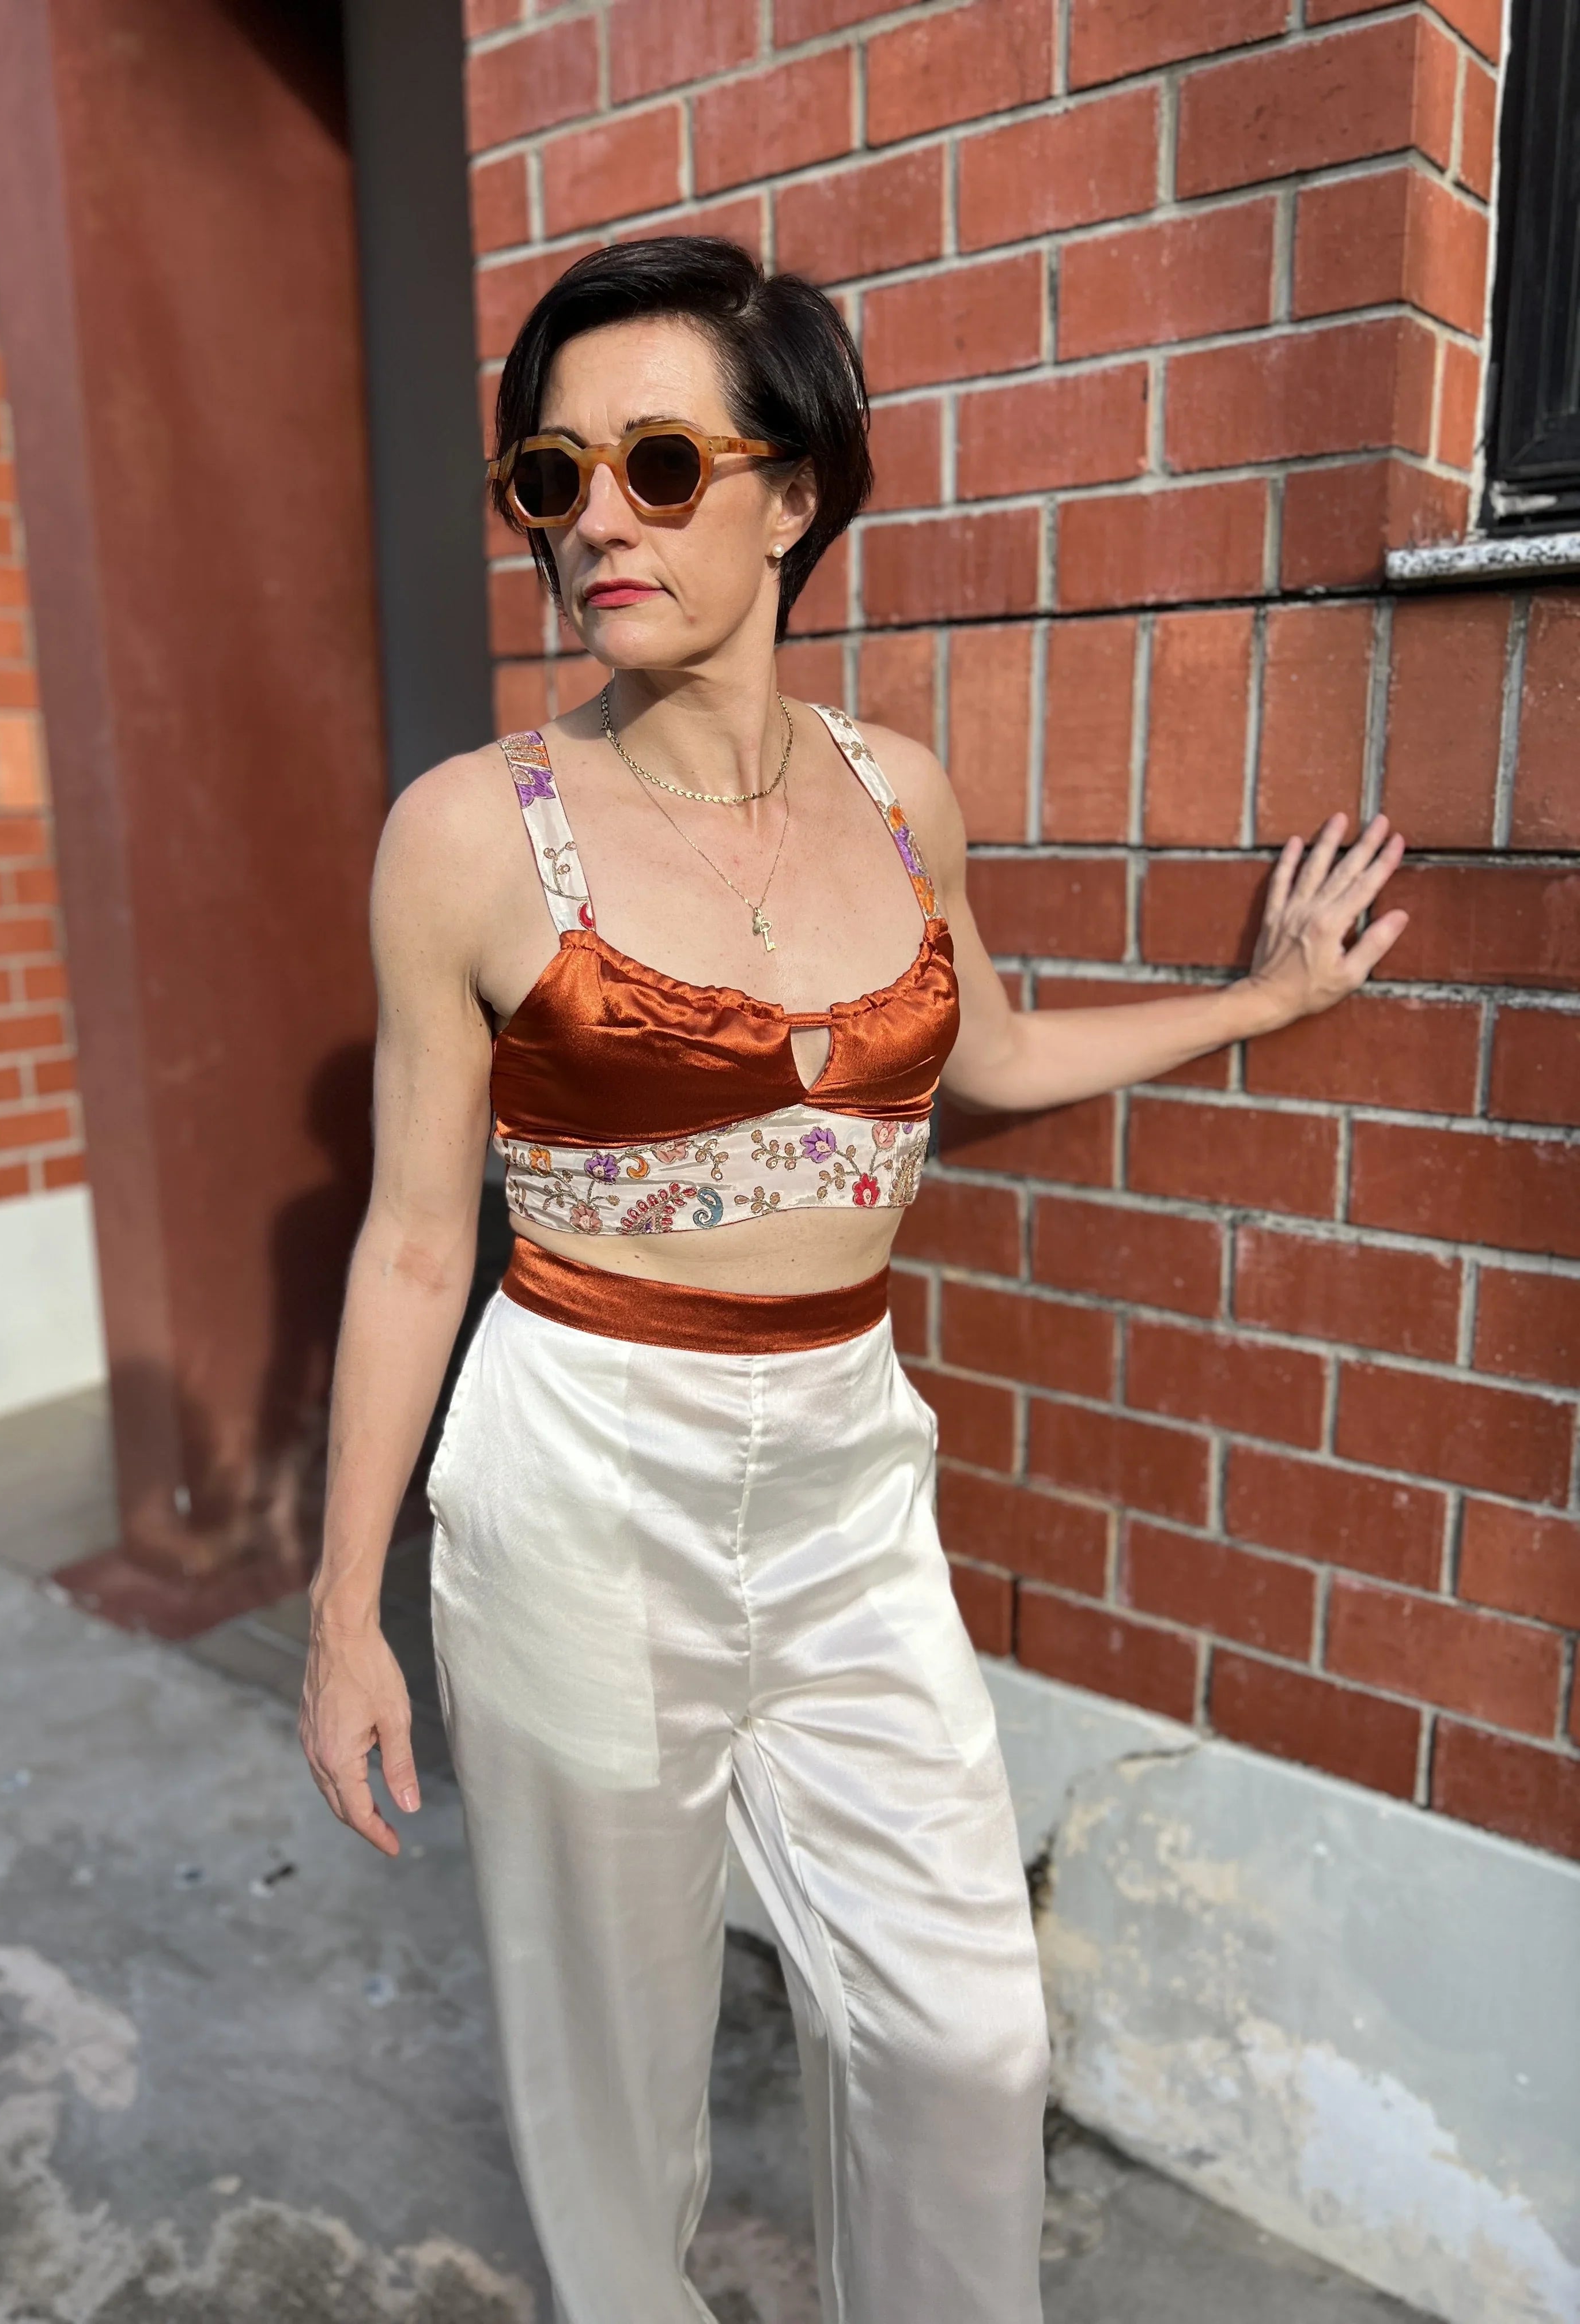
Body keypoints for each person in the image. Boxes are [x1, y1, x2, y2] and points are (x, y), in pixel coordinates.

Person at [297, 236, 1407, 2322]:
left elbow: (977, 1052)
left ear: (793, 491)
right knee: (614, 2081)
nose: (595, 522)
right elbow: (416, 1237)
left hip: (842, 1471)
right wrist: (348, 1613)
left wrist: (1257, 1000)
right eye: (550, 481)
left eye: (654, 462)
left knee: (966, 2039)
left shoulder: (903, 798)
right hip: (578, 1480)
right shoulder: (466, 834)